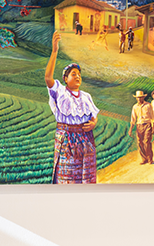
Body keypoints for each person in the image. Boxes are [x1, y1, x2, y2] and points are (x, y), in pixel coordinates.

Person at [44, 31, 99, 184]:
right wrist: (55, 51)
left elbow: (93, 114)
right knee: (66, 178)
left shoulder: (86, 96)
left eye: (79, 74)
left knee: (86, 178)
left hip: (85, 140)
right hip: (67, 139)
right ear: (65, 79)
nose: (77, 76)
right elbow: (48, 78)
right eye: (73, 74)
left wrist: (94, 123)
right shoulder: (60, 92)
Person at [128, 90, 154, 164]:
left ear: (143, 97)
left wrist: (153, 127)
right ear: (136, 98)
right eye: (138, 98)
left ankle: (150, 158)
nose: (139, 99)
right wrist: (130, 129)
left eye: (140, 97)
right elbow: (133, 119)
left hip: (147, 125)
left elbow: (152, 117)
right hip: (139, 125)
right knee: (140, 143)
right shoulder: (135, 107)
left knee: (146, 142)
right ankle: (144, 159)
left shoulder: (148, 105)